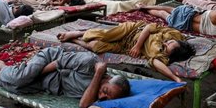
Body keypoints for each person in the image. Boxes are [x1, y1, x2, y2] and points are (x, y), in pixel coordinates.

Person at [0, 47, 130, 108]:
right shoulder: (89, 62)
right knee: (21, 78)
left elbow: (83, 105)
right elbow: (58, 62)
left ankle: (3, 70)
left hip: (52, 83)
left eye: (107, 97)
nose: (102, 96)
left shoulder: (97, 86)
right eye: (105, 91)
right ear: (109, 78)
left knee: (15, 87)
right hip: (49, 61)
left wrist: (98, 76)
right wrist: (33, 74)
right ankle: (1, 66)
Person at [56, 22, 195, 82]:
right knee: (105, 35)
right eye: (168, 42)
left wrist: (175, 78)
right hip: (133, 30)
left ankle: (73, 40)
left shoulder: (162, 56)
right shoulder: (174, 34)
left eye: (166, 48)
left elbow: (159, 65)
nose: (165, 43)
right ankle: (78, 32)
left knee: (97, 47)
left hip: (125, 47)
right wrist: (138, 46)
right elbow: (148, 28)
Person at [138, 4, 216, 37]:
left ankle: (144, 7)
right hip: (183, 25)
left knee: (166, 10)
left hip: (187, 15)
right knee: (162, 14)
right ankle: (145, 8)